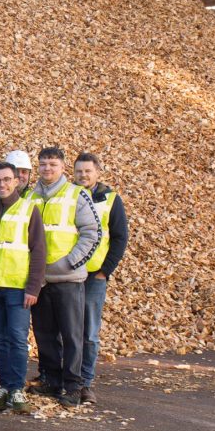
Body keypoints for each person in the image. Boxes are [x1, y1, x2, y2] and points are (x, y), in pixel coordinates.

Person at [27, 147, 100, 406]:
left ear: (62, 167)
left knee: (71, 336)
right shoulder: (29, 196)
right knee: (45, 335)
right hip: (40, 280)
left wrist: (70, 262)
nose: (48, 169)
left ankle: (72, 385)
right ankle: (52, 381)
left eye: (53, 164)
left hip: (68, 280)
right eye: (44, 164)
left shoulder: (76, 194)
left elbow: (92, 233)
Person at [0, 161, 46, 414]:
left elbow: (38, 251)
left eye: (6, 179)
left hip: (17, 287)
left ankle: (16, 389)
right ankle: (4, 386)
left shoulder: (29, 209)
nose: (2, 184)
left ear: (16, 181)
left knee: (16, 338)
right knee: (0, 339)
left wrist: (33, 288)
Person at [74, 152, 128, 401]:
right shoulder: (67, 196)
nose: (83, 175)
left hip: (93, 275)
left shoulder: (110, 199)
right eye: (79, 171)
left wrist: (105, 271)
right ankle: (65, 379)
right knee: (66, 330)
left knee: (89, 333)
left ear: (98, 172)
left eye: (88, 171)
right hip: (68, 273)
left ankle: (85, 383)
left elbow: (119, 237)